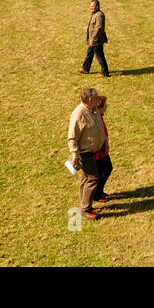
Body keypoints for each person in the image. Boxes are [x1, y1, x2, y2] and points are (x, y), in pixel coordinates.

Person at [67, 88, 107, 220]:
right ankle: (85, 209)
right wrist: (75, 155)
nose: (98, 100)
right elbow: (72, 138)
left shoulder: (94, 109)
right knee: (92, 178)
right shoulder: (78, 114)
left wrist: (104, 143)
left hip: (95, 151)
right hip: (85, 153)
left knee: (85, 179)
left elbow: (100, 126)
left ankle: (87, 206)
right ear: (90, 100)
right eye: (96, 98)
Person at [80, 0, 109, 77]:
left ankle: (105, 72)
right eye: (91, 6)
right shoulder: (95, 14)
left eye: (93, 6)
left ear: (98, 6)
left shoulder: (99, 15)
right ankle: (85, 69)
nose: (91, 7)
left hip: (97, 40)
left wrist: (92, 40)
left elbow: (98, 28)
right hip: (93, 40)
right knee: (89, 53)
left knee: (100, 56)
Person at [94, 96, 114, 204]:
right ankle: (96, 194)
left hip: (102, 149)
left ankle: (99, 191)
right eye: (105, 104)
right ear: (100, 107)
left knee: (107, 169)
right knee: (103, 171)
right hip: (98, 152)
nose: (107, 106)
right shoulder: (97, 119)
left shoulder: (100, 116)